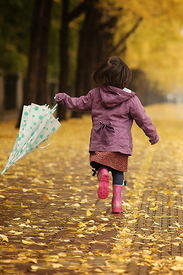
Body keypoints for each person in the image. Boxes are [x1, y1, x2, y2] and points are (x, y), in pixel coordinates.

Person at [54, 56, 159, 214]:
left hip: (99, 139)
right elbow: (143, 119)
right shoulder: (131, 99)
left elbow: (79, 103)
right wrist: (153, 135)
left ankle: (102, 171)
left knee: (100, 162)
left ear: (103, 75)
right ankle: (117, 202)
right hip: (120, 143)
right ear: (125, 77)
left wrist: (65, 99)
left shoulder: (95, 94)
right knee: (118, 171)